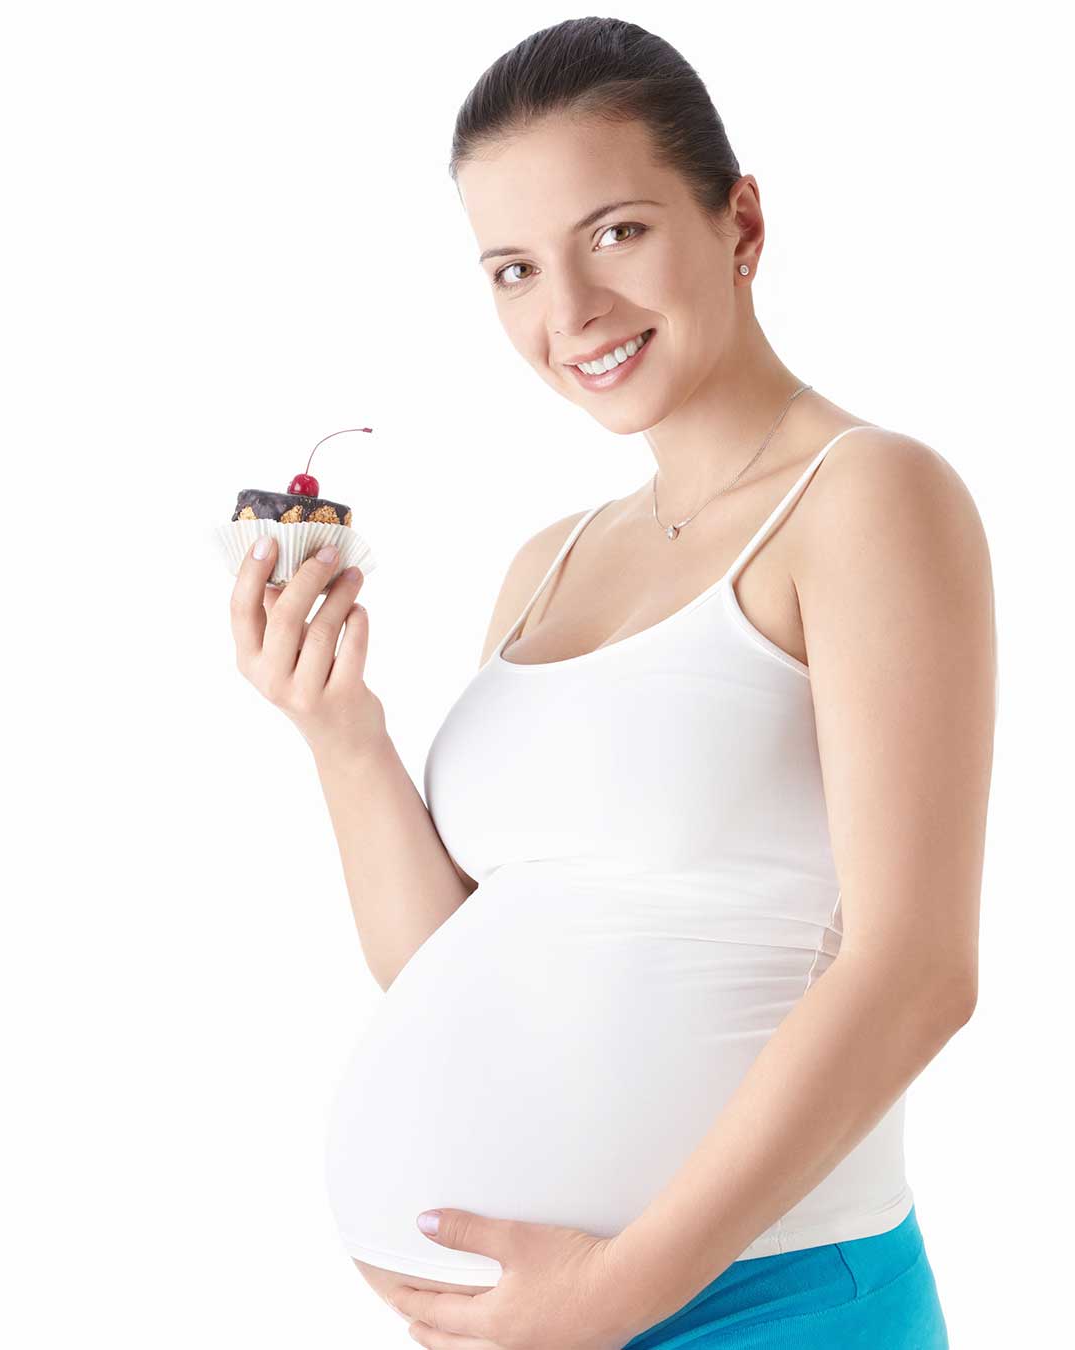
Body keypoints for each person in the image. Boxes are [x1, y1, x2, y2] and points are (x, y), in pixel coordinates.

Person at [230, 17, 995, 1349]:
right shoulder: (549, 560)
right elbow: (460, 967)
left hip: (776, 1302)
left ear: (739, 222)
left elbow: (917, 967)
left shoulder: (866, 499)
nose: (567, 312)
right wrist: (341, 733)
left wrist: (609, 1293)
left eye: (617, 232)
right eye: (514, 268)